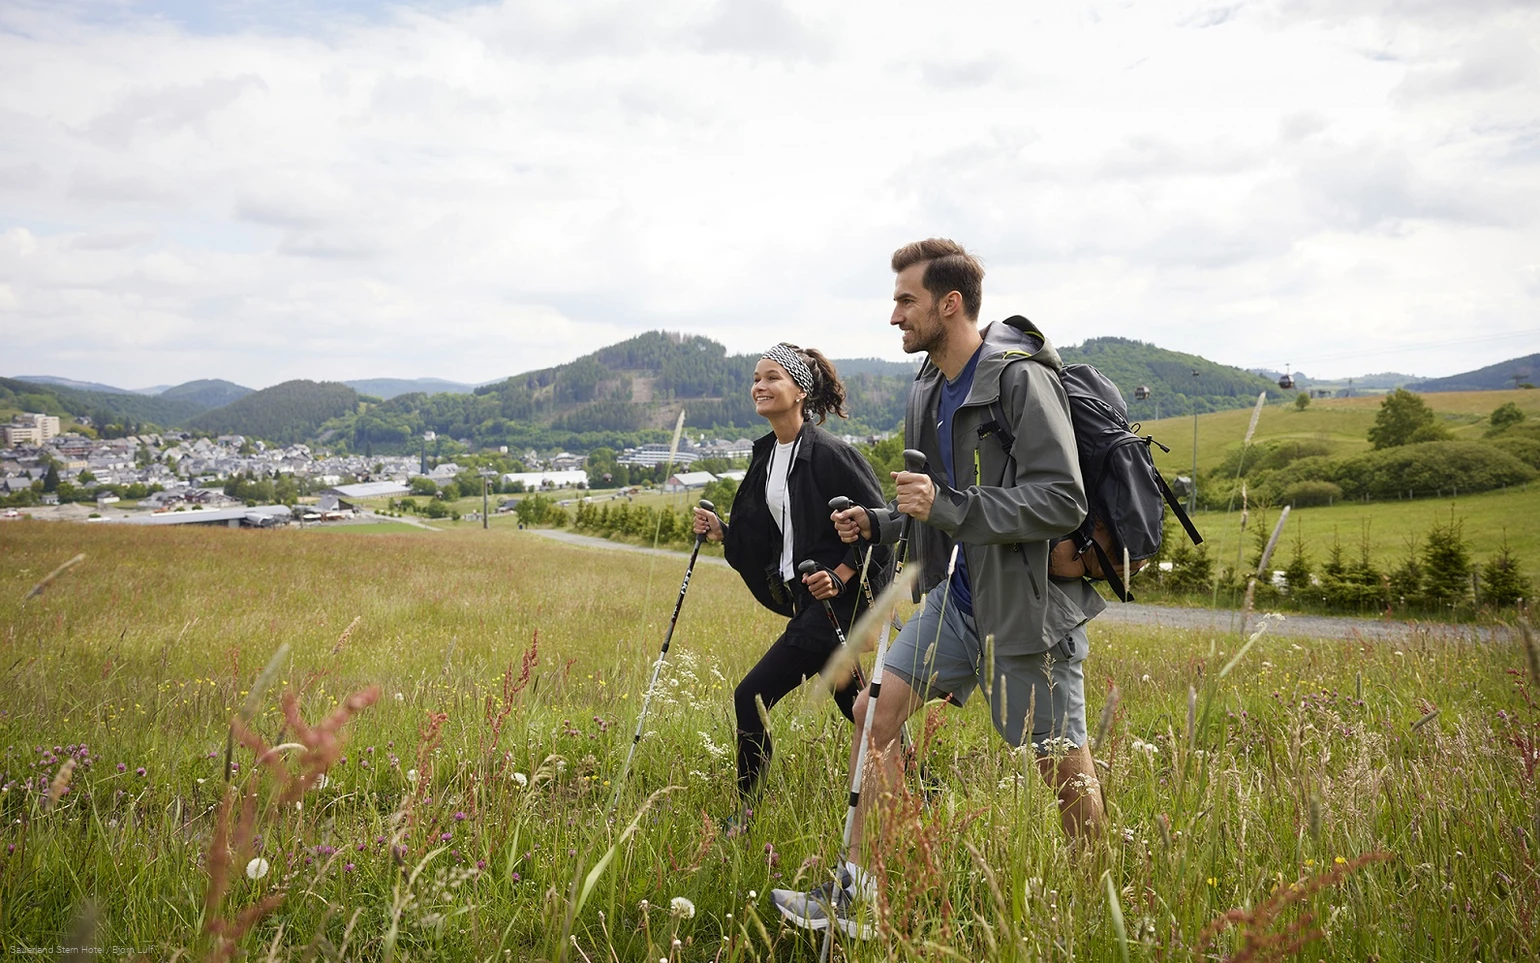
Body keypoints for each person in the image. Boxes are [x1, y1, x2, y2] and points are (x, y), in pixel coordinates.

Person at [772, 238, 1106, 937]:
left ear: (949, 303)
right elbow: (936, 505)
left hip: (1026, 607)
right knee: (872, 717)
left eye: (906, 300)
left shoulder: (1018, 378)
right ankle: (864, 895)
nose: (894, 315)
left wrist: (943, 507)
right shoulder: (928, 384)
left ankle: (1097, 903)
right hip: (959, 600)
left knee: (1060, 764)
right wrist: (884, 521)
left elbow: (1061, 500)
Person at [692, 343, 890, 825]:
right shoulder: (769, 455)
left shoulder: (831, 454)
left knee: (750, 696)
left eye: (772, 377)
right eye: (756, 378)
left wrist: (841, 576)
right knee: (862, 709)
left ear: (800, 390)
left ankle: (746, 811)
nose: (759, 386)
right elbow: (768, 533)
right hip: (807, 601)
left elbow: (883, 527)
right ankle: (923, 789)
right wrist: (722, 532)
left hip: (833, 603)